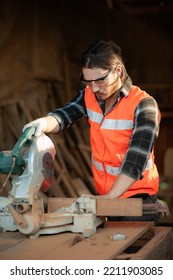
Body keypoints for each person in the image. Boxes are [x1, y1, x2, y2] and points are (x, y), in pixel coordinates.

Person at [23, 40, 163, 224]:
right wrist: (41, 123)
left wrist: (110, 197)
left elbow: (136, 158)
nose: (94, 88)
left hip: (138, 202)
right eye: (88, 81)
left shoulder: (144, 105)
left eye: (100, 80)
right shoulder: (90, 95)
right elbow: (65, 115)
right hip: (107, 199)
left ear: (118, 71)